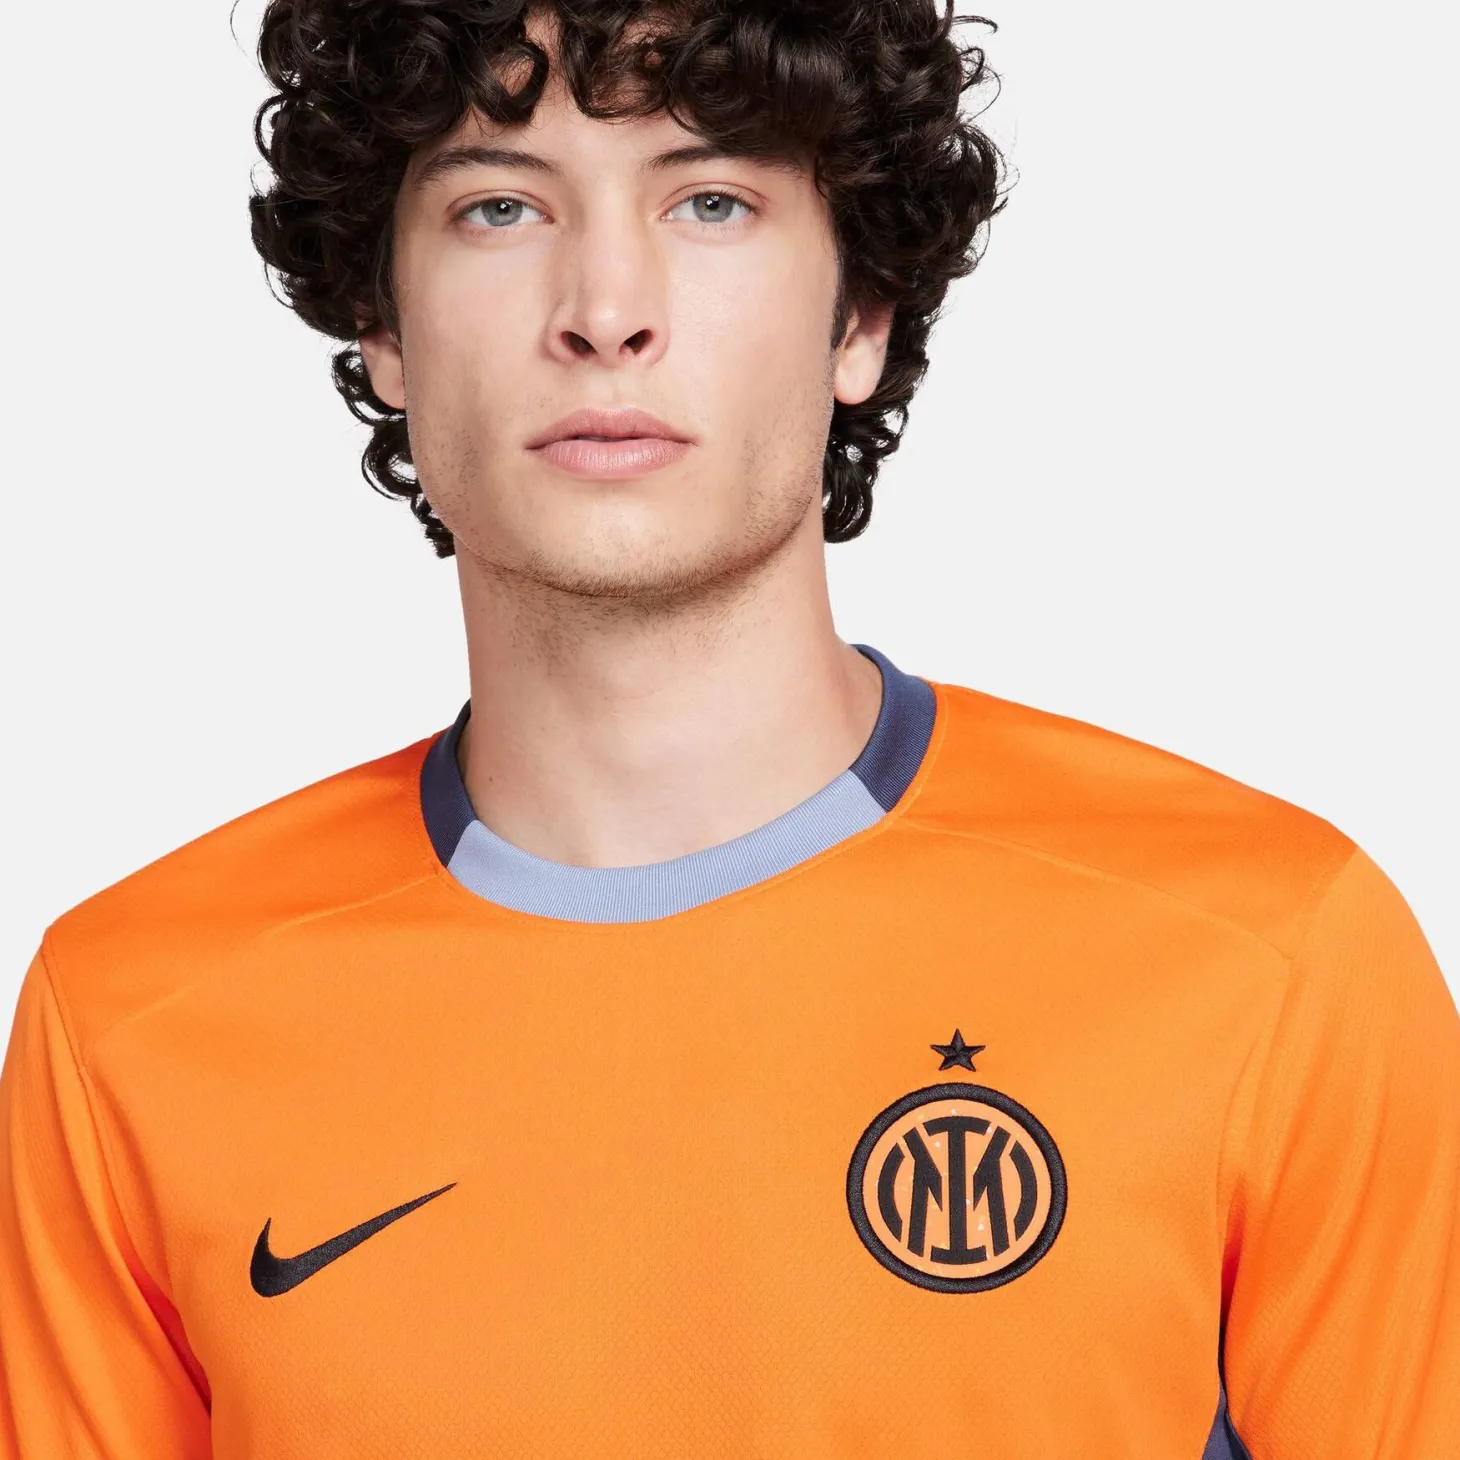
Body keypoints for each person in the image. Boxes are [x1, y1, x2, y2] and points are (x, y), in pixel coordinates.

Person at [1, 0, 1456, 1455]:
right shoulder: (129, 1023)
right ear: (383, 327)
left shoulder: (1270, 958)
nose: (606, 310)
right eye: (501, 207)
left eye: (711, 201)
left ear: (861, 316)